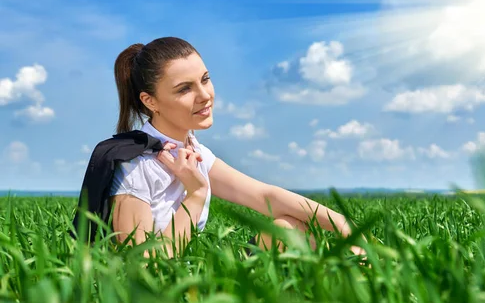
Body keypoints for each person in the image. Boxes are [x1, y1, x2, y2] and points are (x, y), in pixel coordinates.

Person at [107, 36, 366, 258]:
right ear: (150, 101)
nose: (205, 95)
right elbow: (144, 266)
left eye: (205, 79)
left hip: (199, 274)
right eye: (184, 89)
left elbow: (265, 197)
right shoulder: (135, 165)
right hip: (170, 297)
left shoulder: (191, 151)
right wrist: (195, 193)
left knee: (289, 227)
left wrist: (346, 227)